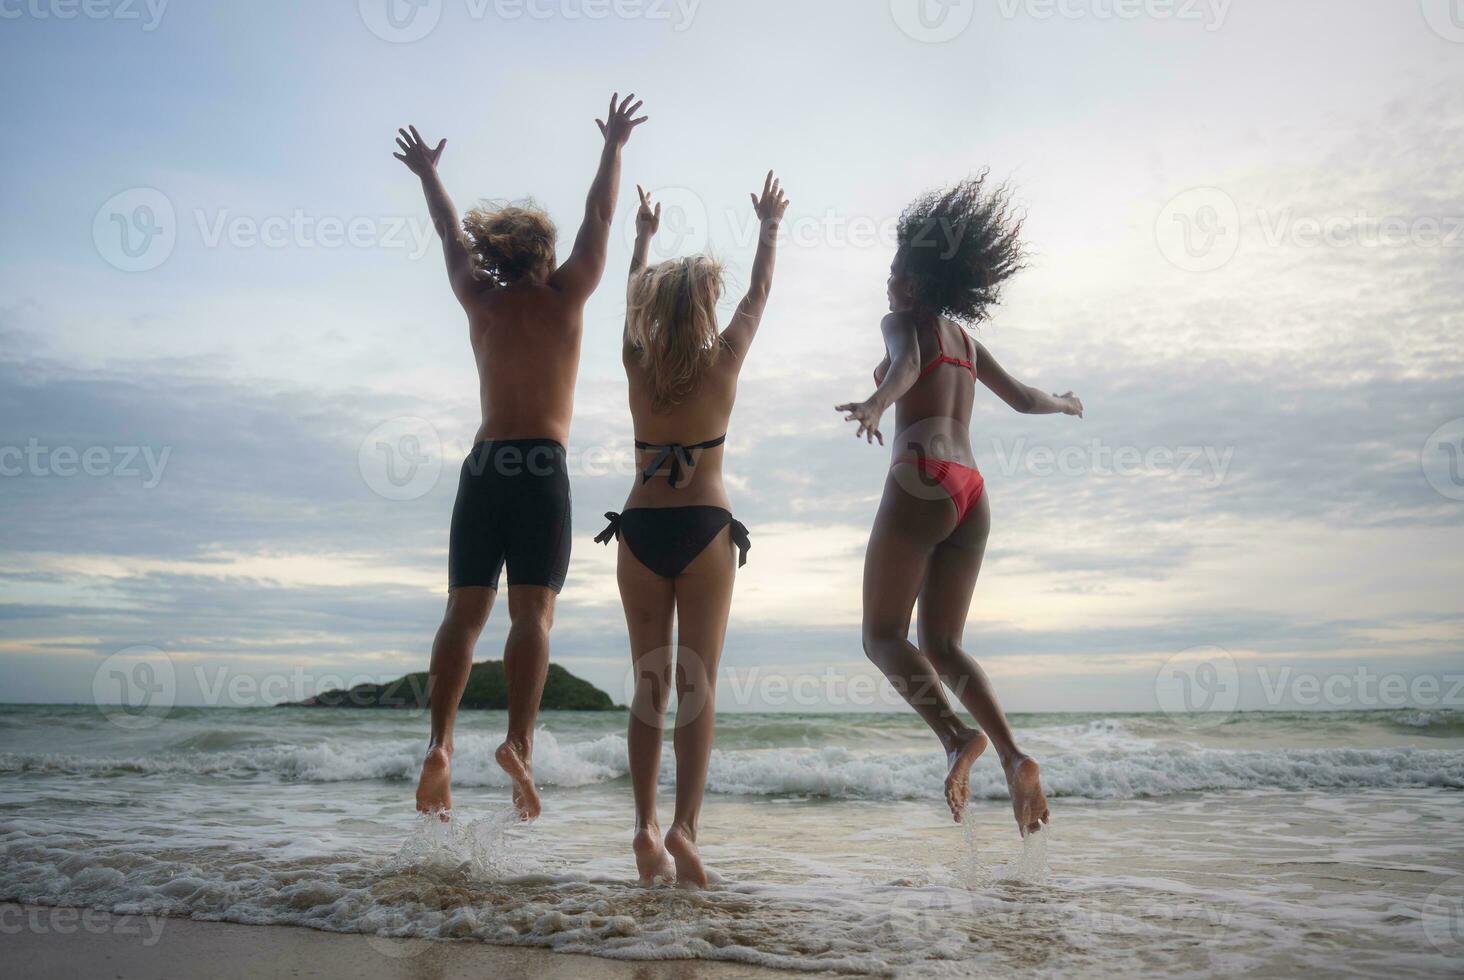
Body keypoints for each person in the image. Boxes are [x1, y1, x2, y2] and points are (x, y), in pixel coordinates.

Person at [394, 93, 648, 820]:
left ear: (497, 256)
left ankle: (440, 743)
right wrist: (613, 146)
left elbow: (448, 233)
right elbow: (601, 219)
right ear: (543, 253)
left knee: (464, 613)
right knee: (532, 613)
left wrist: (428, 175)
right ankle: (519, 745)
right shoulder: (567, 297)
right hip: (540, 465)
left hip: (484, 467)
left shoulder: (479, 299)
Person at [836, 173, 1082, 836]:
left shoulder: (902, 322)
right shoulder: (968, 342)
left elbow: (905, 365)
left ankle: (954, 737)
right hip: (971, 492)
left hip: (921, 475)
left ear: (914, 283)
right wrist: (1064, 402)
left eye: (894, 273)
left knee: (881, 635)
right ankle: (1013, 755)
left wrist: (877, 404)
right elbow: (1026, 396)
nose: (887, 284)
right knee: (943, 644)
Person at [595, 174, 788, 886]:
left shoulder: (636, 363)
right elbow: (758, 296)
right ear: (704, 305)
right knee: (696, 685)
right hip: (707, 532)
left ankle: (644, 826)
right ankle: (684, 828)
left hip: (642, 529)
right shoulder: (724, 360)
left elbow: (628, 296)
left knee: (651, 686)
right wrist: (768, 224)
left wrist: (641, 238)